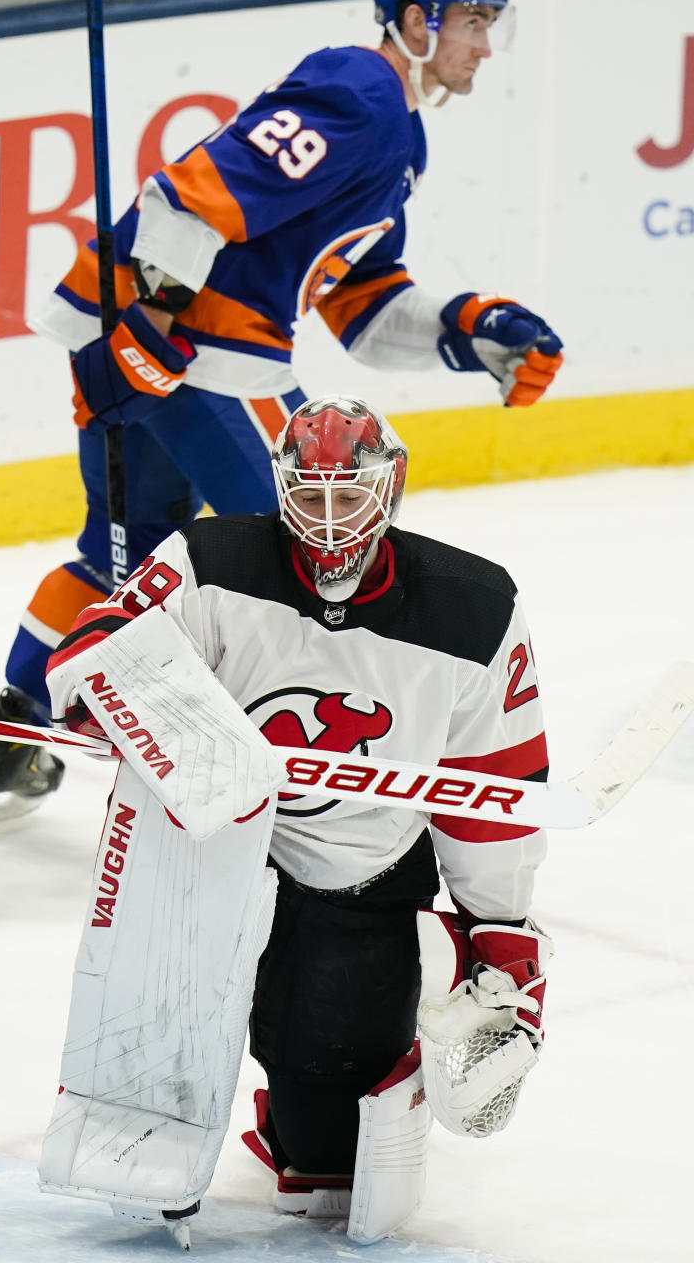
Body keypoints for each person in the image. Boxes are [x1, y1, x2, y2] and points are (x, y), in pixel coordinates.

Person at [0, 0, 564, 827]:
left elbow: (360, 304)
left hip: (157, 352)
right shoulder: (360, 90)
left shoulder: (397, 135)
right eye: (474, 21)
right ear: (415, 21)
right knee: (318, 542)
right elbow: (194, 190)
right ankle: (300, 775)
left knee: (121, 557)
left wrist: (469, 329)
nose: (484, 43)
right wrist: (153, 324)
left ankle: (15, 737)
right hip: (185, 354)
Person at [39, 395, 551, 1243]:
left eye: (347, 499)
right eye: (307, 498)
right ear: (280, 487)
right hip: (202, 857)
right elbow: (97, 640)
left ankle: (327, 1072)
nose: (326, 520)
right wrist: (105, 691)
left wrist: (499, 926)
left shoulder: (475, 609)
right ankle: (156, 1123)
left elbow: (492, 783)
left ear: (390, 491)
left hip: (360, 874)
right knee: (136, 1127)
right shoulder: (212, 559)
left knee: (328, 1179)